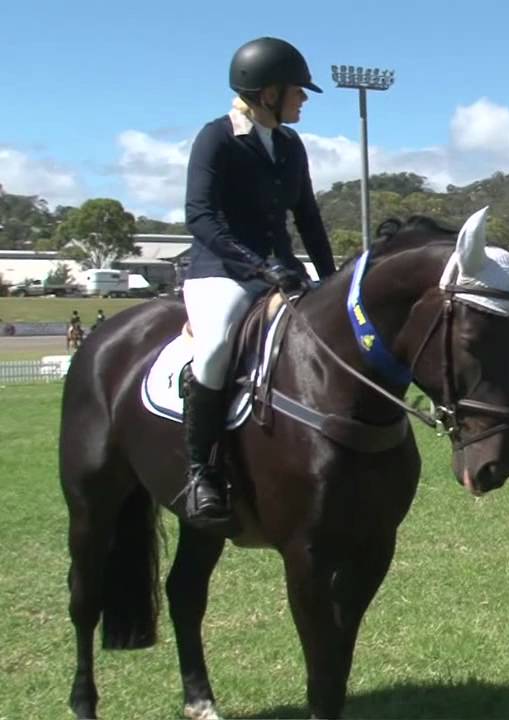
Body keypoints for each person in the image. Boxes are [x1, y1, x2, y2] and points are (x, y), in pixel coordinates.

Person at [181, 36, 337, 525]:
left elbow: (308, 217)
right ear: (268, 94)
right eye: (297, 91)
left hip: (280, 273)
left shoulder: (291, 146)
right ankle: (201, 471)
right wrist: (252, 264)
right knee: (216, 346)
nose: (304, 99)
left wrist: (331, 280)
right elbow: (200, 216)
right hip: (220, 272)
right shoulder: (218, 137)